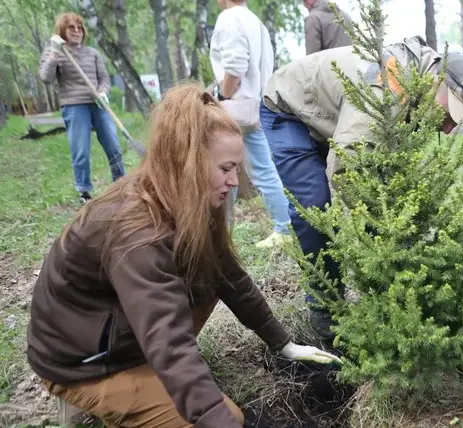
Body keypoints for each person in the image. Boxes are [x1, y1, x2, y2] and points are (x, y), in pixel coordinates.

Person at [26, 83, 342, 428]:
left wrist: (282, 343)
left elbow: (229, 275)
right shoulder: (135, 232)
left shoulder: (182, 197)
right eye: (225, 169)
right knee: (222, 419)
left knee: (208, 274)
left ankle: (151, 385)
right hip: (83, 362)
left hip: (123, 329)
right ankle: (107, 397)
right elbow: (169, 342)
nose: (235, 181)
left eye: (237, 168)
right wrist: (214, 416)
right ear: (187, 162)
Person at [260, 35, 463, 340]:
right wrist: (377, 235)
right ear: (439, 82)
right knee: (314, 206)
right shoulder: (387, 89)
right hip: (290, 109)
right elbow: (347, 165)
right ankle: (324, 306)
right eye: (450, 115)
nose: (448, 129)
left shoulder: (419, 85)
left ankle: (387, 293)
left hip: (333, 116)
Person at [209, 0, 292, 249]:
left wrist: (223, 95)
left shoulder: (228, 19)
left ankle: (221, 231)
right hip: (257, 103)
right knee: (263, 168)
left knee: (223, 167)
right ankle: (284, 226)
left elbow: (235, 66)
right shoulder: (256, 22)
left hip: (236, 106)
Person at [39, 12, 125, 205]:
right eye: (71, 28)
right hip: (74, 106)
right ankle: (84, 192)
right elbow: (46, 78)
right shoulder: (55, 51)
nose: (77, 31)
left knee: (114, 145)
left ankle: (121, 184)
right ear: (63, 30)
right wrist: (54, 53)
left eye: (79, 28)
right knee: (81, 151)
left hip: (98, 104)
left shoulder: (92, 53)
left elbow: (104, 79)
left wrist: (102, 93)